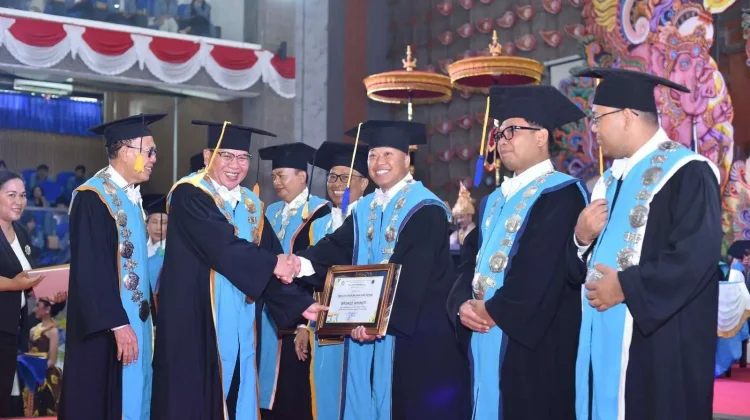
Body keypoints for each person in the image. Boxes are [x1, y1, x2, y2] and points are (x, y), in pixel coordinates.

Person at [291, 120, 472, 420]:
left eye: (388, 154)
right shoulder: (366, 208)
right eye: (373, 155)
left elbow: (410, 275)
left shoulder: (425, 208)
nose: (379, 162)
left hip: (415, 335)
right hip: (374, 329)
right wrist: (298, 263)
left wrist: (376, 322)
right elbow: (336, 247)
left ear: (407, 159)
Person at [571, 68, 723, 420]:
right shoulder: (608, 182)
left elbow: (694, 258)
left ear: (627, 116)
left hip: (657, 348)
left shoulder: (688, 172)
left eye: (598, 118)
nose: (593, 130)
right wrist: (580, 239)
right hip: (601, 339)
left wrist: (625, 286)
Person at [151, 120, 325, 420]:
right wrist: (274, 263)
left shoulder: (250, 204)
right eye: (227, 156)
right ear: (208, 156)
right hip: (198, 319)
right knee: (199, 400)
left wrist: (300, 303)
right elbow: (222, 247)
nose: (236, 165)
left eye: (243, 157)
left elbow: (269, 254)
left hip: (242, 320)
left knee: (238, 393)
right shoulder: (189, 193)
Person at [446, 85, 588, 419]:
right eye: (499, 133)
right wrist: (461, 303)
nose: (501, 140)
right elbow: (468, 260)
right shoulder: (492, 201)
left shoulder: (563, 194)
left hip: (531, 345)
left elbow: (542, 270)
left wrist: (493, 310)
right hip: (484, 330)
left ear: (541, 137)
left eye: (512, 130)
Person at [59, 113, 167, 420]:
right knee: (106, 400)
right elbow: (90, 269)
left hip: (135, 322)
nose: (154, 159)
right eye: (149, 151)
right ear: (125, 151)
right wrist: (118, 324)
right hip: (106, 328)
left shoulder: (130, 197)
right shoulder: (93, 197)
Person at [293, 141, 370, 419]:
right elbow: (308, 277)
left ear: (365, 182)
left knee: (357, 395)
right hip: (324, 326)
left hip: (362, 327)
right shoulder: (317, 225)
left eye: (346, 177)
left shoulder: (371, 219)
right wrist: (303, 325)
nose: (337, 184)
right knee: (325, 392)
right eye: (332, 177)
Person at [256, 142, 331, 420]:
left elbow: (317, 271)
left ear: (302, 176)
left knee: (293, 390)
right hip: (267, 313)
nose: (276, 182)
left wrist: (304, 324)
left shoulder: (320, 213)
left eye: (282, 176)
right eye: (273, 176)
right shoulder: (269, 212)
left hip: (298, 316)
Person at [0, 171, 43, 417]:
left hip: (11, 329)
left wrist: (47, 291)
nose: (19, 201)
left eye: (23, 195)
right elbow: (16, 281)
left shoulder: (23, 234)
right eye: (12, 195)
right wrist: (13, 284)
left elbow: (27, 278)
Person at [20, 298, 66, 416]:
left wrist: (38, 369)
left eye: (37, 305)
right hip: (32, 376)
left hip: (46, 376)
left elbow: (52, 360)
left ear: (47, 309)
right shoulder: (32, 330)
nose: (34, 309)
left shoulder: (53, 332)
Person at [449, 182, 475, 252]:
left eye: (461, 217)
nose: (459, 221)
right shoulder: (456, 234)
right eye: (457, 218)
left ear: (469, 216)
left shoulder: (475, 233)